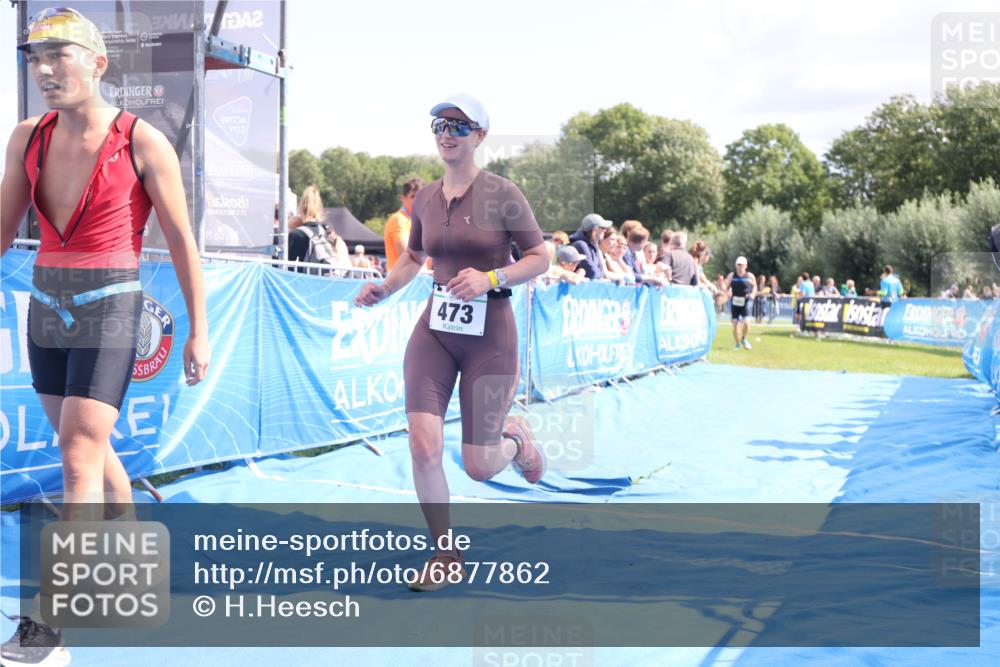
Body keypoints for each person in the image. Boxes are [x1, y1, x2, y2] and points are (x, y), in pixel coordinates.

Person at [1, 8, 210, 664]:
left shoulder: (142, 141)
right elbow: (3, 227)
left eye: (61, 54)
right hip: (45, 309)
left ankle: (51, 624)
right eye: (37, 57)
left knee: (78, 457)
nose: (46, 68)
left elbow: (181, 240)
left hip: (111, 306)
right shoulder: (26, 138)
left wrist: (199, 331)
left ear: (98, 63)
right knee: (91, 451)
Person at [353, 94, 549, 592]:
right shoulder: (424, 199)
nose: (447, 133)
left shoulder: (504, 193)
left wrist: (492, 277)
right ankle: (445, 553)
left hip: (491, 336)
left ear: (480, 136)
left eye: (460, 127)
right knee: (423, 444)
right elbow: (413, 257)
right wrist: (384, 286)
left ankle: (516, 439)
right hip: (436, 332)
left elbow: (539, 257)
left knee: (481, 466)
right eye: (441, 124)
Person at [288, 185, 350, 271]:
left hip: (305, 282)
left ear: (301, 207)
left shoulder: (296, 234)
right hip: (325, 281)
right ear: (319, 207)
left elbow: (286, 266)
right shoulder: (326, 232)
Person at [384, 178, 423, 271]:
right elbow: (406, 254)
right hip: (401, 280)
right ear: (403, 198)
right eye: (413, 196)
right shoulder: (398, 219)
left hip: (419, 278)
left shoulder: (419, 220)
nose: (417, 200)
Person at [568, 213, 612, 279]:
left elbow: (601, 271)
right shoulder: (580, 245)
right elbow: (592, 273)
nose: (605, 230)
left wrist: (601, 274)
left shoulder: (594, 244)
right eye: (603, 228)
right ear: (595, 229)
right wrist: (601, 274)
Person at [726, 256, 757, 350]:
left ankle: (744, 338)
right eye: (739, 265)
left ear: (746, 266)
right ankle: (737, 344)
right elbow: (726, 286)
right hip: (735, 301)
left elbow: (755, 286)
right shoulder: (732, 275)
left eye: (742, 265)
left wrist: (752, 294)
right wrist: (728, 291)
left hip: (746, 301)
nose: (740, 267)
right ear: (736, 265)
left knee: (747, 323)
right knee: (735, 324)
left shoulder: (749, 276)